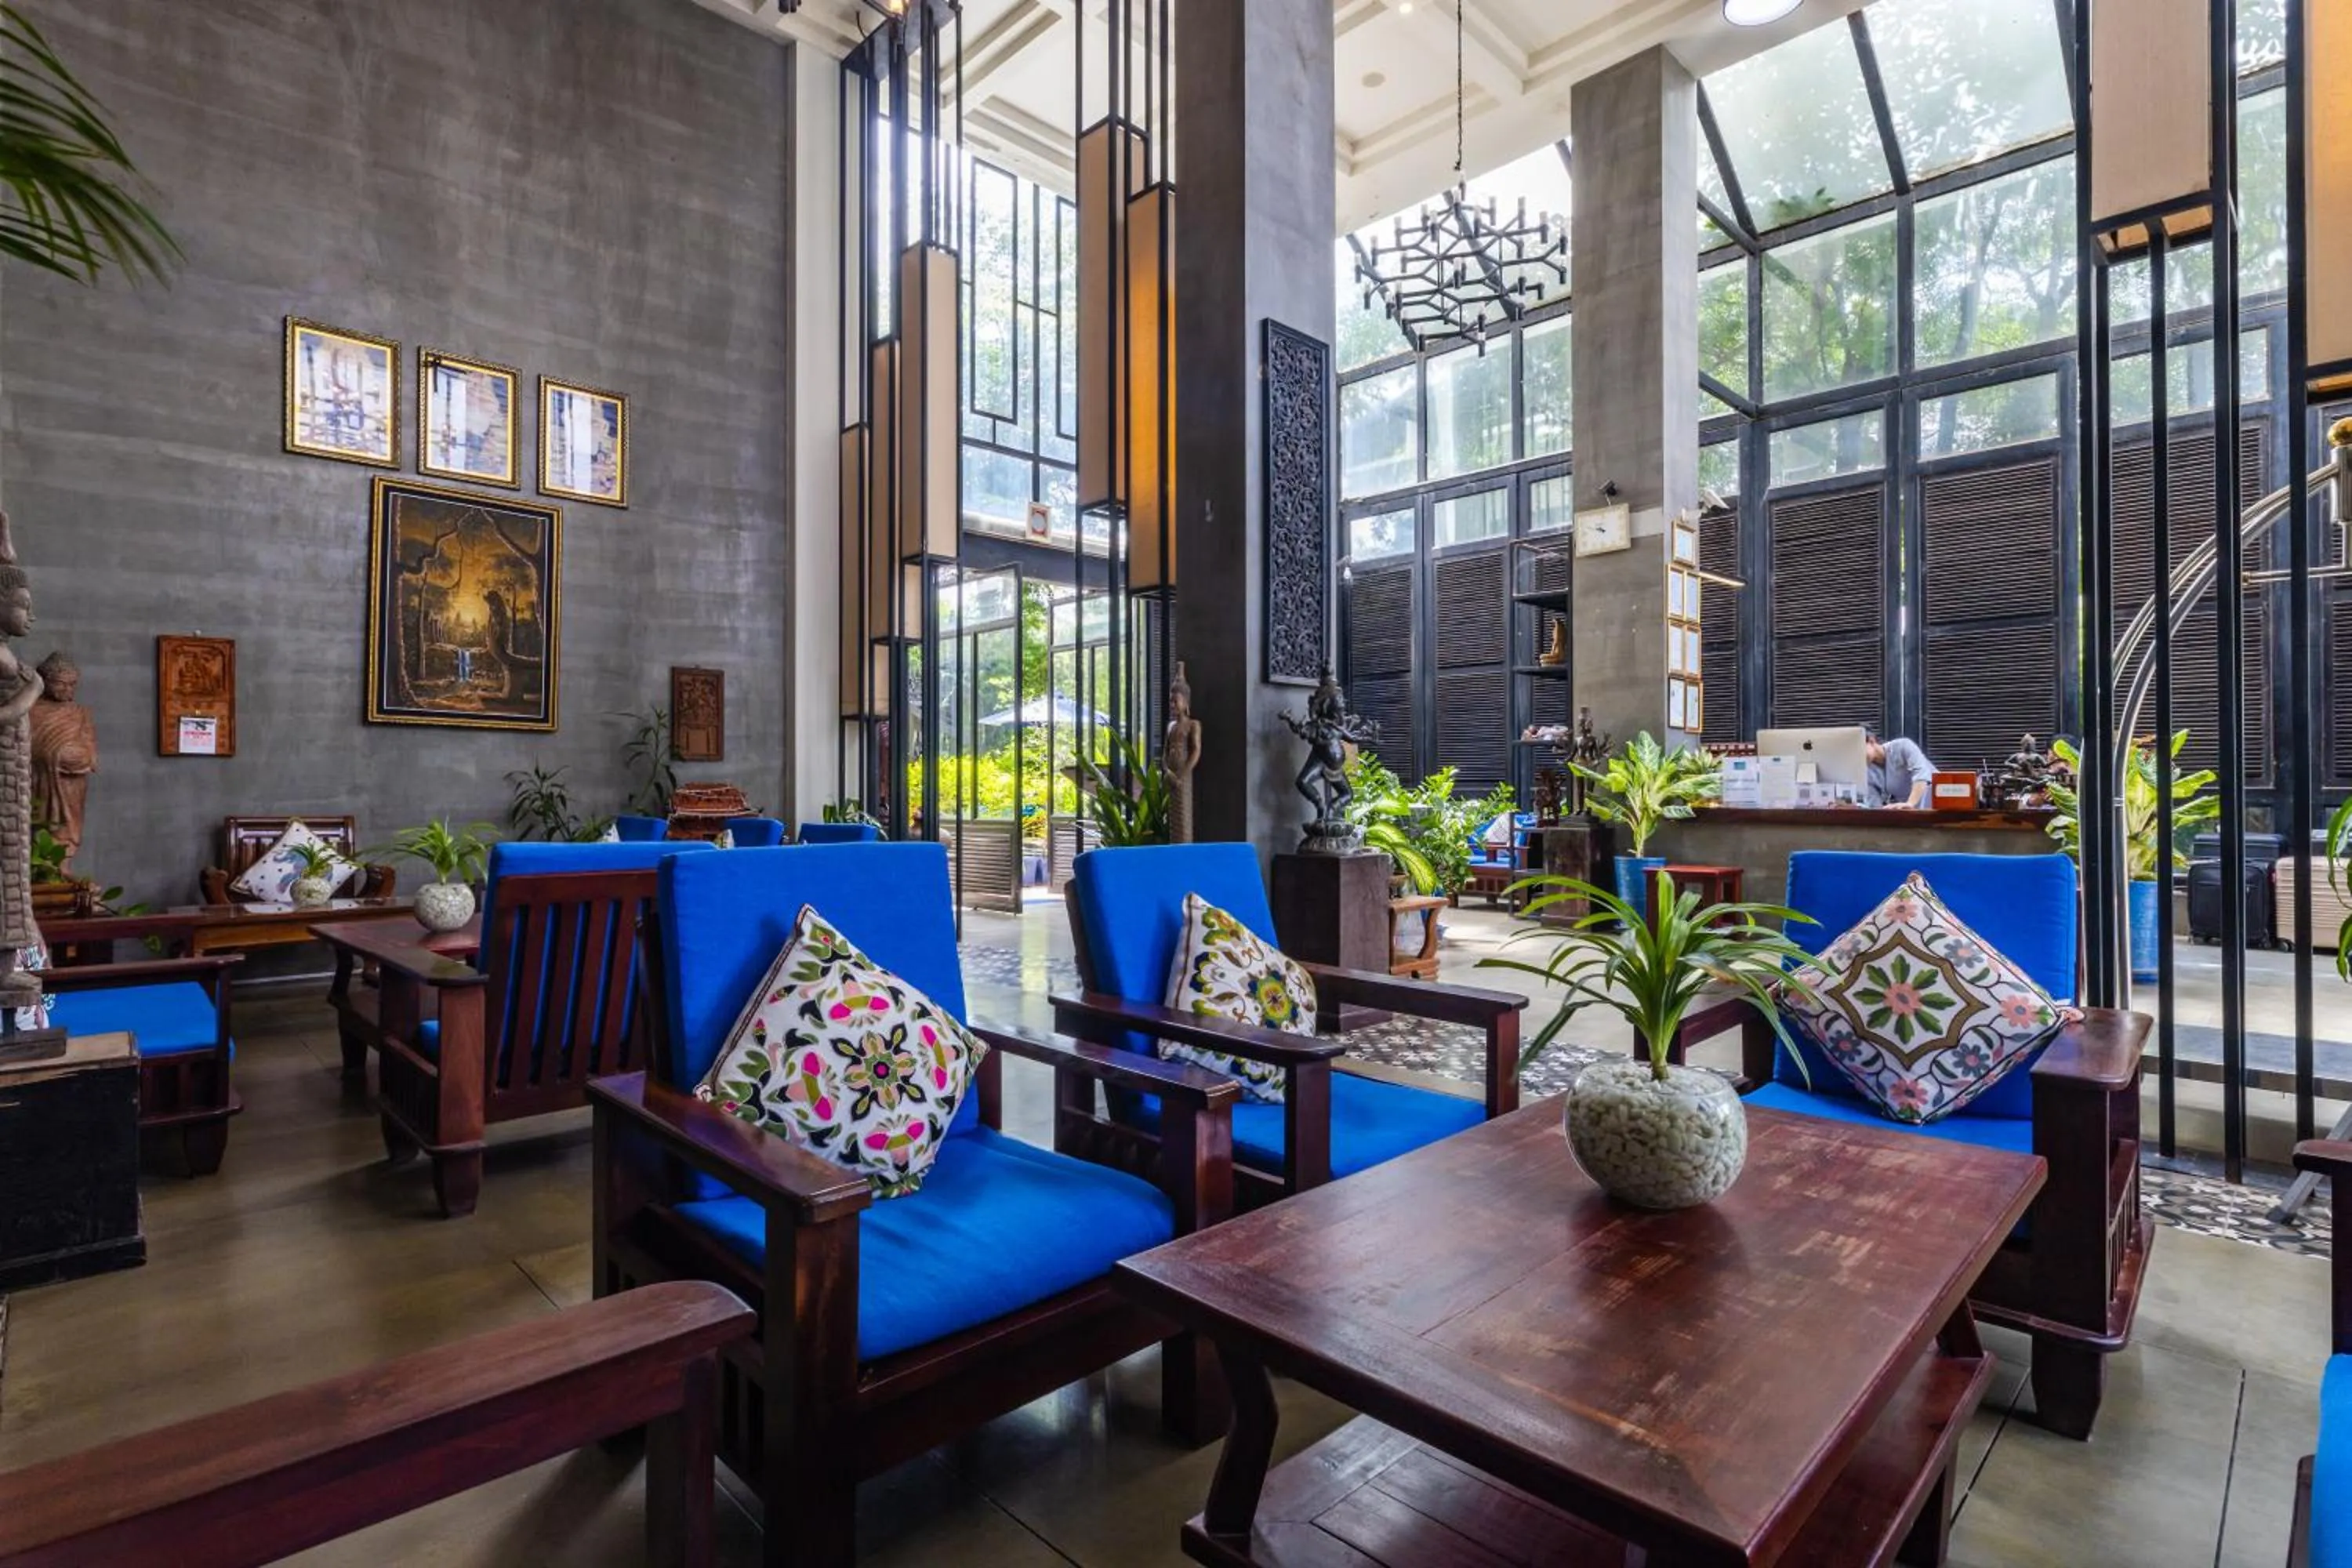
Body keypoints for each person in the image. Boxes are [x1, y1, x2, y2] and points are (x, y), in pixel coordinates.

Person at [1866, 727, 1936, 809]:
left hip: (1939, 801)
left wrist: (1910, 803)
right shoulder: (1867, 771)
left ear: (1871, 741)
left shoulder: (1903, 746)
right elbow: (1874, 806)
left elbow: (1921, 774)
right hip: (1913, 814)